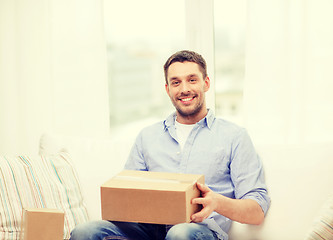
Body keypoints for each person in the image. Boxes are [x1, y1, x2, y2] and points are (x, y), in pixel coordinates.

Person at [70, 50, 270, 240]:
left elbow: (257, 211)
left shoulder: (234, 136)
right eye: (176, 82)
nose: (184, 89)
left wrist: (217, 202)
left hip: (200, 232)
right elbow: (128, 194)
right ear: (167, 89)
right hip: (148, 231)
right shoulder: (147, 137)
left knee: (179, 234)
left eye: (192, 80)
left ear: (206, 83)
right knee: (85, 231)